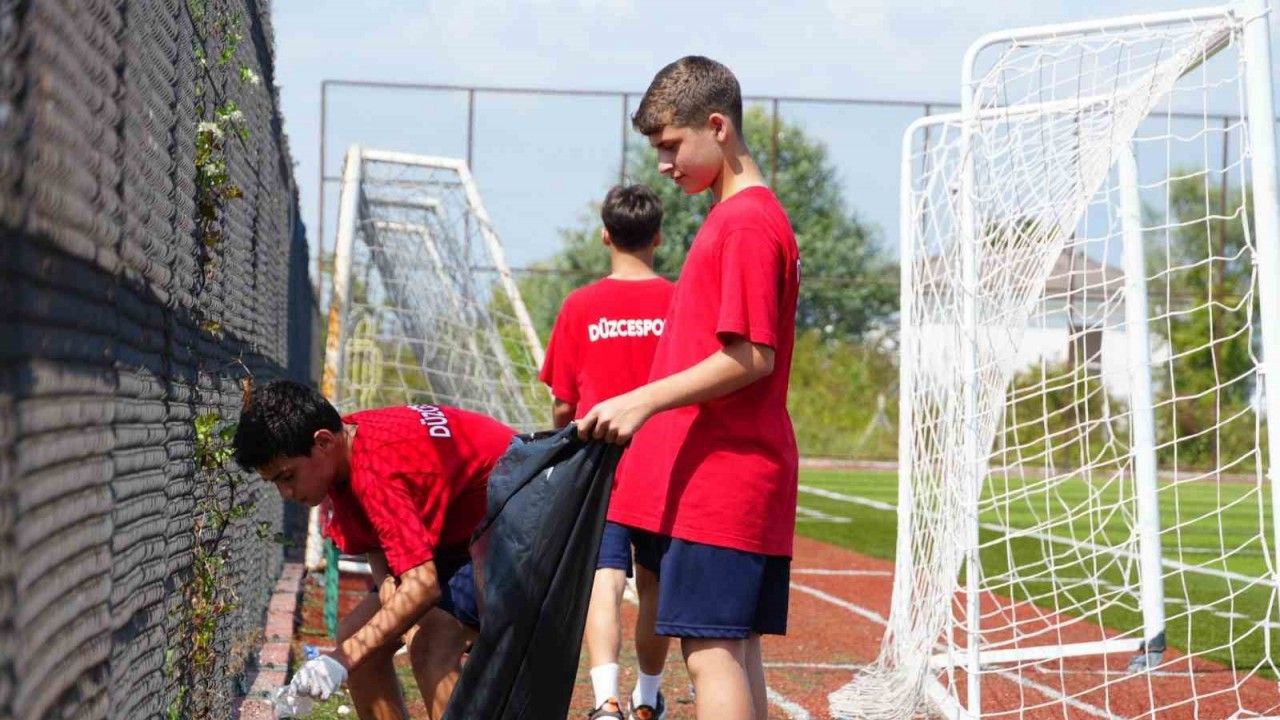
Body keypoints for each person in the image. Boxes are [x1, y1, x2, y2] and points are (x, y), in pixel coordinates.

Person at [576, 56, 801, 720]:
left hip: (723, 476)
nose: (664, 164)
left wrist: (641, 399)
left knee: (710, 655)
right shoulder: (736, 217)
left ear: (718, 127)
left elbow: (752, 356)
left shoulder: (745, 222)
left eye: (672, 145)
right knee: (732, 650)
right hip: (728, 474)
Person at [232, 380, 515, 720]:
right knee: (357, 636)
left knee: (431, 642)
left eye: (287, 476)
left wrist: (341, 660)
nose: (286, 493)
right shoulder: (346, 445)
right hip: (470, 538)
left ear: (323, 442)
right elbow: (377, 544)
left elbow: (423, 586)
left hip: (519, 533)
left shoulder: (377, 470)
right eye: (275, 482)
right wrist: (389, 597)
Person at [539, 184, 675, 719]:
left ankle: (605, 701)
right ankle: (648, 696)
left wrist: (565, 443)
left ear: (604, 235)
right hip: (665, 464)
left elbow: (562, 402)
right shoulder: (679, 301)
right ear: (658, 237)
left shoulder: (581, 305)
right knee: (654, 582)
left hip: (600, 464)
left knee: (604, 580)